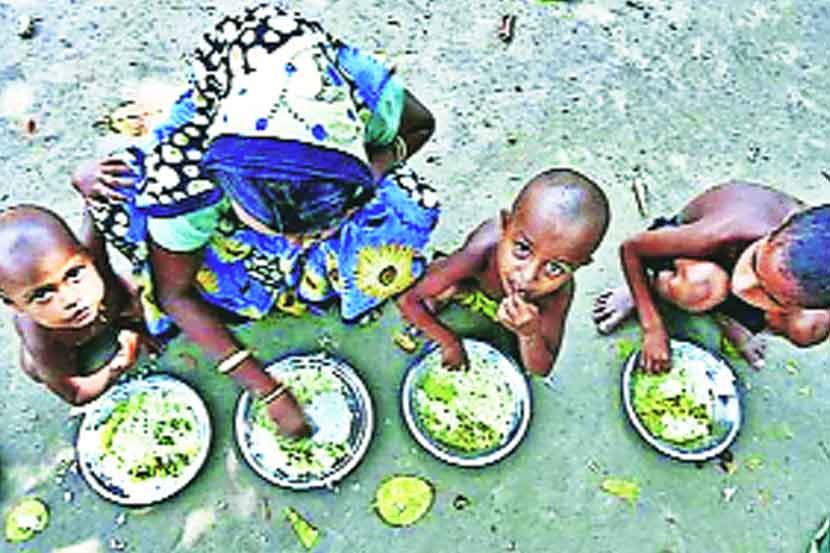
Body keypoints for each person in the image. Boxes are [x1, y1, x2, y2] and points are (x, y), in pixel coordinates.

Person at [73, 4, 439, 436]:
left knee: (402, 213)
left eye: (319, 229)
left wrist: (375, 169)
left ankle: (314, 263)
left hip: (331, 177)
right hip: (214, 222)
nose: (303, 243)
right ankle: (267, 272)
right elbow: (175, 294)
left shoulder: (360, 91)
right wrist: (263, 386)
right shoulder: (188, 181)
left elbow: (419, 126)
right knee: (135, 210)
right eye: (280, 232)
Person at [592, 180, 830, 373]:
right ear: (781, 227)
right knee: (698, 288)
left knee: (810, 329)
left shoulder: (808, 282)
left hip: (777, 283)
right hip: (694, 253)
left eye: (768, 295)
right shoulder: (722, 232)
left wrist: (777, 312)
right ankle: (646, 289)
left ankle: (729, 318)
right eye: (754, 261)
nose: (743, 284)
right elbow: (632, 249)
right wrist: (652, 326)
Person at [398, 168, 610, 376]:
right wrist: (449, 342)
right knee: (439, 288)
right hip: (474, 283)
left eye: (555, 268)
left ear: (579, 265)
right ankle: (455, 288)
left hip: (517, 314)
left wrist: (529, 334)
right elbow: (408, 299)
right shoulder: (481, 252)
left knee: (528, 352)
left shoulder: (558, 293)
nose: (527, 277)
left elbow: (541, 369)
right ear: (506, 225)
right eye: (522, 249)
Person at [0, 205, 151, 405]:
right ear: (16, 306)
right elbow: (76, 394)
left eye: (73, 274)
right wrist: (119, 364)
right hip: (64, 344)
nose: (71, 299)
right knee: (34, 368)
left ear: (87, 255)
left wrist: (142, 330)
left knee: (138, 292)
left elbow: (96, 205)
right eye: (41, 294)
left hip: (113, 309)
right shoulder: (41, 338)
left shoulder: (93, 256)